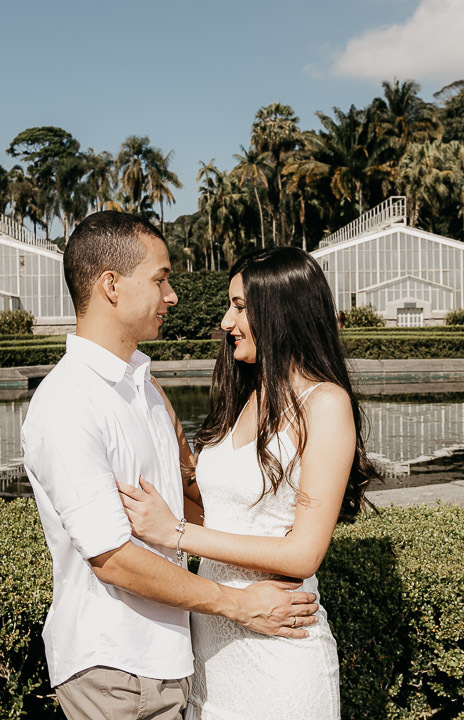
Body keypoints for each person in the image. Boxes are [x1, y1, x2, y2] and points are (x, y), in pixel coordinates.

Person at [21, 213, 319, 720]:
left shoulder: (145, 389)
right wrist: (237, 603)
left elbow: (188, 502)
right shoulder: (68, 402)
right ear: (111, 286)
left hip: (173, 659)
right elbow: (111, 557)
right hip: (114, 667)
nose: (173, 295)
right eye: (160, 279)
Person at [118, 247, 375, 719]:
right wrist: (160, 419)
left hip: (280, 656)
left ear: (281, 310)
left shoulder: (325, 404)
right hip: (211, 651)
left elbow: (303, 553)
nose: (225, 321)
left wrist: (175, 532)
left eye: (239, 306)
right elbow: (220, 505)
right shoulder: (249, 393)